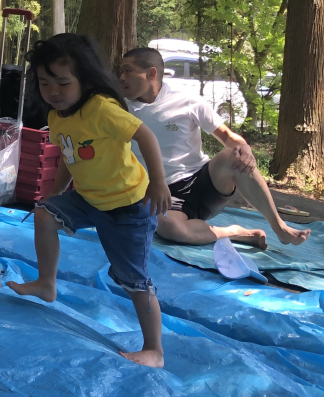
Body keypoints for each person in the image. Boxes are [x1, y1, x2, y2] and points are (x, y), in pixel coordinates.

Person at [7, 34, 170, 369]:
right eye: (44, 83)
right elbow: (69, 155)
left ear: (85, 79)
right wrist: (53, 192)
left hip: (129, 206)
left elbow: (145, 135)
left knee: (133, 280)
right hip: (89, 197)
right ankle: (46, 283)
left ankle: (155, 349)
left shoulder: (101, 108)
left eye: (63, 83)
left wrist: (158, 182)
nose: (53, 91)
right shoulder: (57, 115)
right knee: (43, 214)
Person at [118, 47, 310, 249]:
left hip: (203, 182)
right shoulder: (120, 109)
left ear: (151, 74)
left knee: (236, 155)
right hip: (162, 193)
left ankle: (280, 227)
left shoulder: (187, 100)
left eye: (127, 71)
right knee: (169, 229)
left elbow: (227, 136)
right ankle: (234, 233)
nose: (121, 77)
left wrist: (246, 150)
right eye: (120, 71)